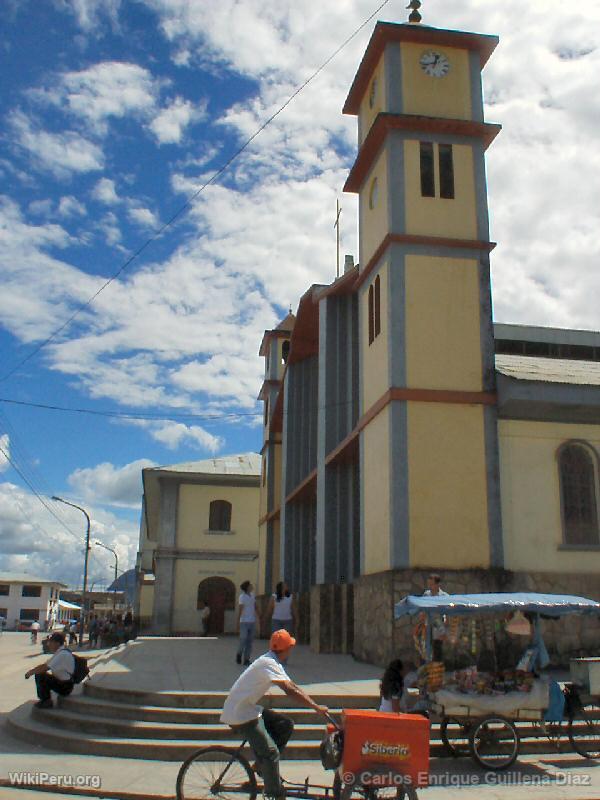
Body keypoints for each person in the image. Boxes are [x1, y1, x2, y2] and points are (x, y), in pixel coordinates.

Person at [221, 629, 329, 799]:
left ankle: (260, 766)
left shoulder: (271, 661)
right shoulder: (269, 663)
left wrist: (314, 704)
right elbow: (289, 690)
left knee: (285, 724)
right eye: (290, 648)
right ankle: (274, 793)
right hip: (240, 715)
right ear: (286, 649)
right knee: (271, 753)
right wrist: (315, 707)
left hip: (248, 709)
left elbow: (292, 685)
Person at [25, 631, 75, 708]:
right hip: (63, 683)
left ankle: (46, 701)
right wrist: (33, 670)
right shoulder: (60, 653)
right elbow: (45, 665)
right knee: (40, 673)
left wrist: (30, 673)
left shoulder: (62, 654)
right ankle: (45, 700)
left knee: (40, 675)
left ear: (57, 643)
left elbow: (46, 667)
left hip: (65, 686)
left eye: (51, 642)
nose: (48, 645)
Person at [423, 574, 448, 662]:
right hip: (428, 626)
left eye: (431, 584)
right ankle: (428, 668)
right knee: (427, 649)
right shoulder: (426, 595)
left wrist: (444, 627)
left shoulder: (444, 596)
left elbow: (447, 613)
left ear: (438, 585)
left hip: (438, 627)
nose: (430, 586)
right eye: (428, 584)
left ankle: (437, 670)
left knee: (437, 650)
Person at [236, 581, 260, 666]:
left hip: (252, 621)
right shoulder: (242, 597)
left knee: (250, 641)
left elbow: (255, 606)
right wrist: (238, 621)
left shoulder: (252, 595)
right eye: (250, 585)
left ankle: (246, 659)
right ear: (247, 587)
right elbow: (240, 609)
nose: (252, 586)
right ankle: (239, 653)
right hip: (244, 621)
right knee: (243, 639)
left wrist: (258, 615)